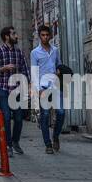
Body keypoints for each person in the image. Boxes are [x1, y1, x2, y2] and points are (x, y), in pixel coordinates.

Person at [0, 26, 28, 156]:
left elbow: (24, 70)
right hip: (3, 88)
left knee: (18, 118)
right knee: (6, 116)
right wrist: (3, 68)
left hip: (16, 90)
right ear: (7, 36)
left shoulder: (19, 52)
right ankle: (8, 145)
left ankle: (16, 141)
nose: (16, 36)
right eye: (13, 34)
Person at [30, 24, 64, 153]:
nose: (45, 37)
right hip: (43, 88)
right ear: (39, 36)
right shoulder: (35, 53)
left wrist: (59, 70)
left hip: (56, 86)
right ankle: (48, 144)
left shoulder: (55, 50)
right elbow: (34, 72)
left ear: (50, 36)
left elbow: (58, 64)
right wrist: (38, 89)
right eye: (42, 35)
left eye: (47, 35)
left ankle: (55, 136)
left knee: (61, 113)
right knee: (44, 115)